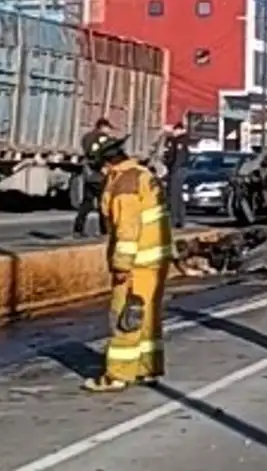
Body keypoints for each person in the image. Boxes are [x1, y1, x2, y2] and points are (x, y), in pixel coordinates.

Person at [82, 134, 174, 393]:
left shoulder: (125, 184)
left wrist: (122, 266)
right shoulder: (142, 174)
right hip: (155, 259)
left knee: (125, 316)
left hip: (137, 262)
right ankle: (148, 368)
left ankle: (118, 374)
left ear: (103, 162)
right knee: (147, 316)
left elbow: (127, 230)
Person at [73, 118, 113, 237]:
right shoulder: (102, 139)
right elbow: (98, 156)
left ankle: (78, 229)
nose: (109, 131)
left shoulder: (86, 137)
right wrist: (102, 167)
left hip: (89, 174)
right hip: (99, 175)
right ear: (103, 127)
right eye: (108, 128)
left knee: (87, 203)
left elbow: (89, 154)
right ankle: (104, 230)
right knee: (103, 203)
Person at [163, 122, 190, 228]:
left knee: (173, 195)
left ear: (179, 130)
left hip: (177, 170)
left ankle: (174, 220)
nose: (173, 133)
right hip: (178, 170)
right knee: (178, 195)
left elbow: (179, 158)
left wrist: (173, 169)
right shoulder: (177, 140)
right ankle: (180, 219)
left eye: (174, 130)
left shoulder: (180, 141)